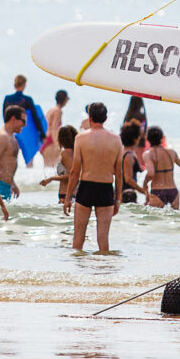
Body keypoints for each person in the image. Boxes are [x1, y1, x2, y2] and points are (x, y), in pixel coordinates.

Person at [64, 103, 123, 252]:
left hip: (86, 188)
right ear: (106, 118)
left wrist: (67, 197)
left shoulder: (81, 138)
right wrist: (118, 198)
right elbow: (119, 173)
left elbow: (75, 171)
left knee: (78, 240)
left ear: (90, 118)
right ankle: (103, 271)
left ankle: (78, 273)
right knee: (103, 241)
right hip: (106, 189)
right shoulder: (116, 139)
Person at [0, 106, 27, 202]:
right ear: (13, 119)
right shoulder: (2, 137)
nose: (25, 125)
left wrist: (12, 183)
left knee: (5, 216)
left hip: (5, 186)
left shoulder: (12, 137)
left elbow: (7, 164)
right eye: (23, 121)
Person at [143, 127, 180, 208]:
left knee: (156, 218)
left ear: (147, 139)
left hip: (157, 191)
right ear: (162, 137)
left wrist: (145, 183)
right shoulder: (171, 152)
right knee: (174, 219)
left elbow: (151, 173)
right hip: (173, 191)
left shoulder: (148, 154)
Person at [40, 124, 78, 204]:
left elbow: (73, 175)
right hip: (72, 194)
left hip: (67, 195)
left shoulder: (66, 153)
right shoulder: (76, 153)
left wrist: (51, 178)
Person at [119, 122, 147, 204]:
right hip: (127, 193)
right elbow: (128, 179)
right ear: (135, 139)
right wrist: (143, 191)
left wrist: (138, 168)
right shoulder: (129, 155)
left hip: (122, 192)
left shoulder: (123, 152)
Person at [39, 89, 69, 167]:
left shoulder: (51, 110)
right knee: (53, 169)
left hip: (44, 141)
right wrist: (57, 145)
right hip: (51, 141)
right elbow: (54, 128)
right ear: (65, 99)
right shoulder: (58, 111)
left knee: (47, 170)